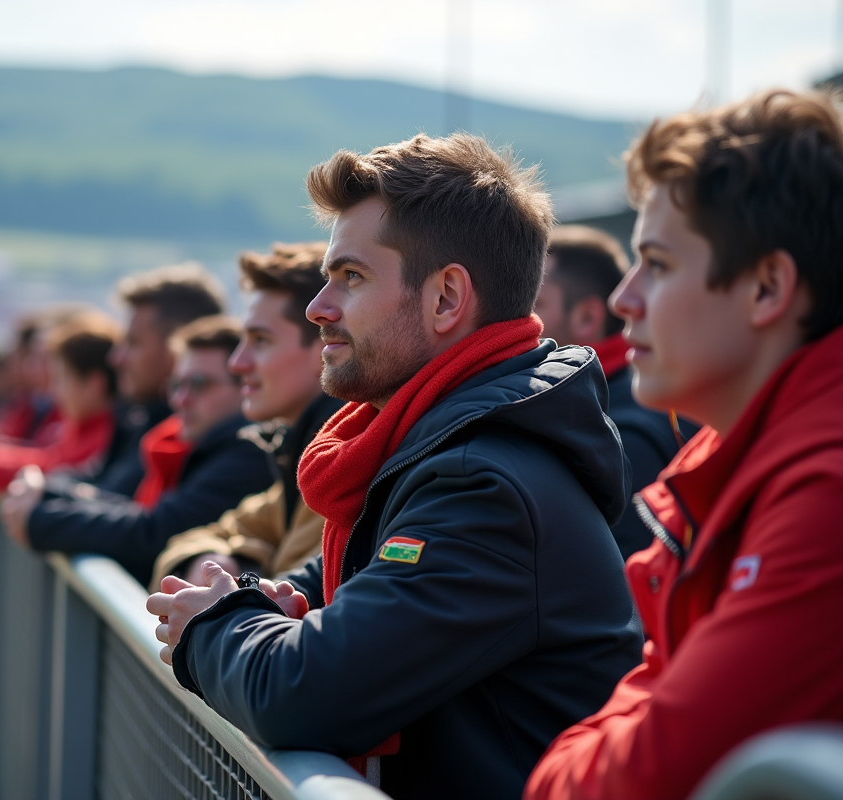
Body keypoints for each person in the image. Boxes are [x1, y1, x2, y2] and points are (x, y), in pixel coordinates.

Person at [147, 133, 642, 799]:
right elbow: (322, 591)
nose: (320, 308)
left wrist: (213, 627)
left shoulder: (484, 482)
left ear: (445, 299)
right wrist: (259, 609)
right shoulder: (430, 454)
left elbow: (308, 692)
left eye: (350, 277)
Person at [525, 88, 843, 800]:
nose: (623, 299)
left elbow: (646, 775)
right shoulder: (751, 467)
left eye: (659, 265)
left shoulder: (827, 490)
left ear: (767, 287)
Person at [0, 316, 273, 585]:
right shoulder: (193, 440)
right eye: (176, 385)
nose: (180, 399)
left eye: (199, 384)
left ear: (244, 386)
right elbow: (123, 502)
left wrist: (39, 518)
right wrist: (48, 491)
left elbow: (155, 530)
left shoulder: (250, 451)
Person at [150, 242, 343, 590]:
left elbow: (293, 607)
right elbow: (190, 541)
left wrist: (233, 575)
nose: (238, 364)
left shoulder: (345, 466)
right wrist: (236, 563)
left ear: (324, 346)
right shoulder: (298, 457)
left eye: (261, 340)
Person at [534, 225, 696, 558]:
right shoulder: (646, 396)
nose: (519, 319)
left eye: (534, 303)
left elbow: (633, 591)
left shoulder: (619, 432)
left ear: (587, 317)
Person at [91, 263, 226, 495]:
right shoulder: (141, 416)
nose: (116, 358)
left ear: (175, 347)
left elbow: (136, 520)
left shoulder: (196, 434)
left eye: (133, 343)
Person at [0, 313, 121, 495]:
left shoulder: (108, 432)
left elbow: (52, 466)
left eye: (61, 379)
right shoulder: (87, 424)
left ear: (95, 385)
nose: (55, 391)